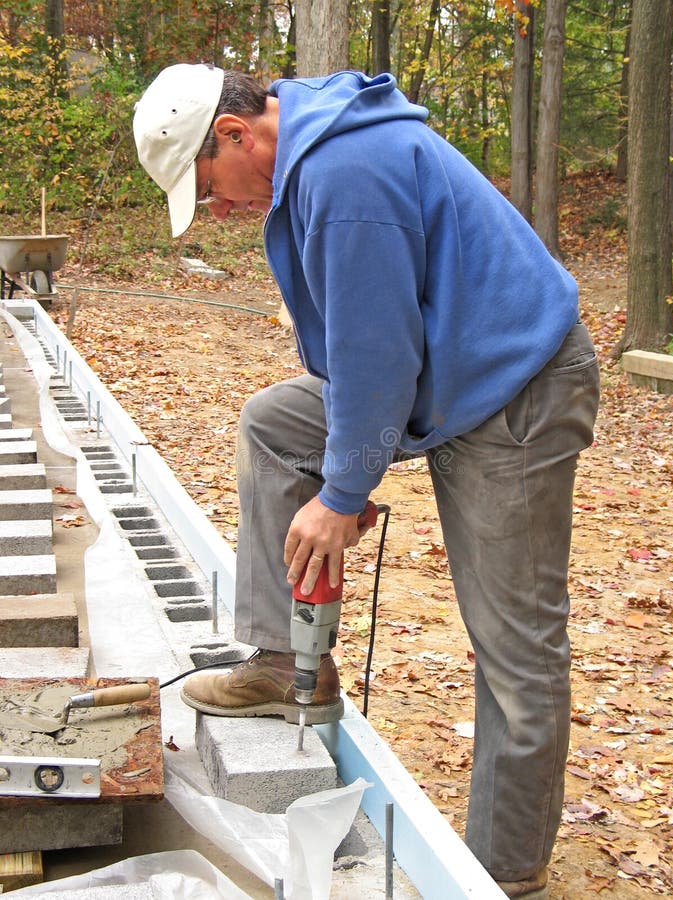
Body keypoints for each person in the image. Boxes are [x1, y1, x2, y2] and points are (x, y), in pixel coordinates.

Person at [133, 63, 600, 900]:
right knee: (277, 421)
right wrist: (347, 464)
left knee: (515, 646)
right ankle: (287, 666)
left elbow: (377, 356)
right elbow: (358, 352)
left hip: (512, 390)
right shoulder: (316, 160)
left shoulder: (346, 175)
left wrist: (342, 492)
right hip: (441, 375)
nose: (221, 211)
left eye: (209, 188)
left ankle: (503, 872)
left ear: (236, 135)